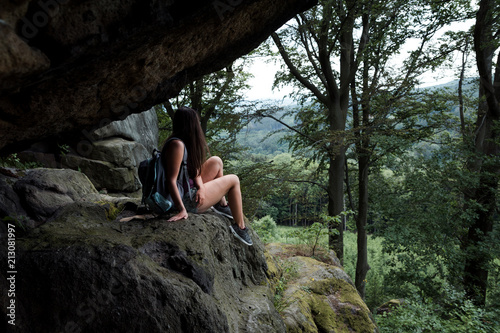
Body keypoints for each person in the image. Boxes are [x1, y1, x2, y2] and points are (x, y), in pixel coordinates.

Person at [161, 106, 253, 246]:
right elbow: (171, 181)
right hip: (186, 199)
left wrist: (201, 188)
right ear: (190, 124)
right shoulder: (176, 145)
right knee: (234, 180)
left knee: (216, 161)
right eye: (196, 122)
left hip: (188, 189)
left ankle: (221, 204)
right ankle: (240, 227)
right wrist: (182, 210)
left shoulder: (181, 142)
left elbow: (195, 170)